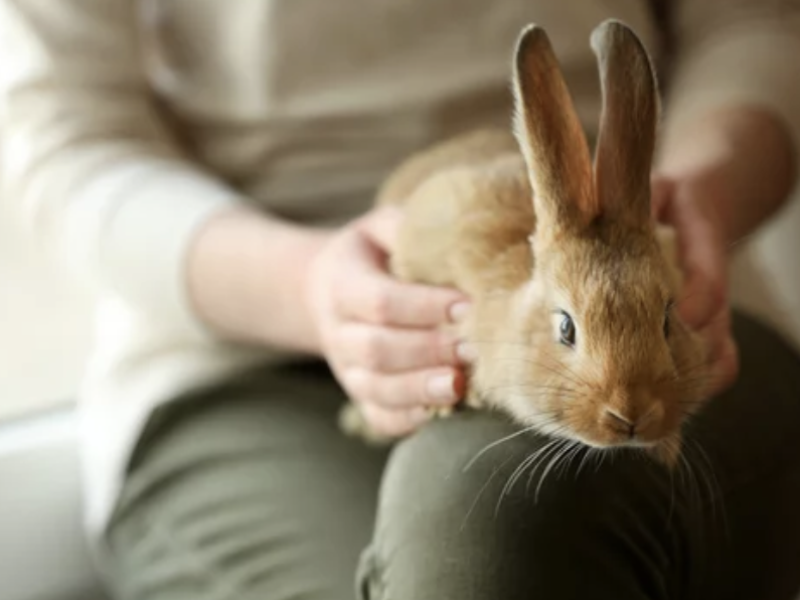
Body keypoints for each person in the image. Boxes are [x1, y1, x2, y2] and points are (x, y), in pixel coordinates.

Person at [2, 0, 800, 598]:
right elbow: (62, 134)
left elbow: (752, 25)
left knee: (489, 526)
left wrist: (700, 196)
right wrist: (308, 288)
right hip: (240, 348)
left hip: (678, 299)